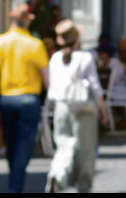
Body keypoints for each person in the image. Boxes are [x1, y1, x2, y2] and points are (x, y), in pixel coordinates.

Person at [0, 4, 50, 193]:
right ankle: (15, 187)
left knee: (12, 144)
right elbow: (46, 78)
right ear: (28, 21)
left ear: (11, 19)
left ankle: (14, 183)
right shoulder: (35, 44)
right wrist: (53, 101)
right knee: (24, 147)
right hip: (29, 100)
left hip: (7, 100)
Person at [45, 19, 107, 193]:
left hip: (61, 106)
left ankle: (57, 173)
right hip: (84, 107)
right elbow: (95, 87)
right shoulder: (85, 57)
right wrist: (103, 109)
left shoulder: (55, 58)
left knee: (63, 145)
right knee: (85, 150)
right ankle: (83, 186)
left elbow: (52, 86)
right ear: (77, 39)